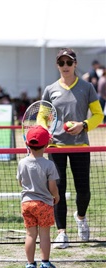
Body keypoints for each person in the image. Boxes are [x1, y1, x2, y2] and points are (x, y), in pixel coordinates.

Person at [42, 48, 104, 249]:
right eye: (62, 63)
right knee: (57, 190)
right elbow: (42, 116)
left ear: (75, 64)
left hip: (80, 145)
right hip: (55, 146)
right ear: (57, 65)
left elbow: (98, 115)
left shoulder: (87, 87)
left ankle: (81, 218)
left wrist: (83, 125)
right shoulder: (50, 89)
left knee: (83, 190)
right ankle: (62, 233)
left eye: (69, 62)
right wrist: (46, 131)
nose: (65, 66)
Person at [17, 125, 60, 268]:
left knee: (30, 235)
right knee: (44, 235)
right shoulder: (49, 164)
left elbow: (21, 183)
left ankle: (30, 265)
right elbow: (52, 186)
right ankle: (45, 264)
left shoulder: (22, 163)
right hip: (44, 204)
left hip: (26, 203)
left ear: (27, 144)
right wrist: (56, 196)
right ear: (47, 144)